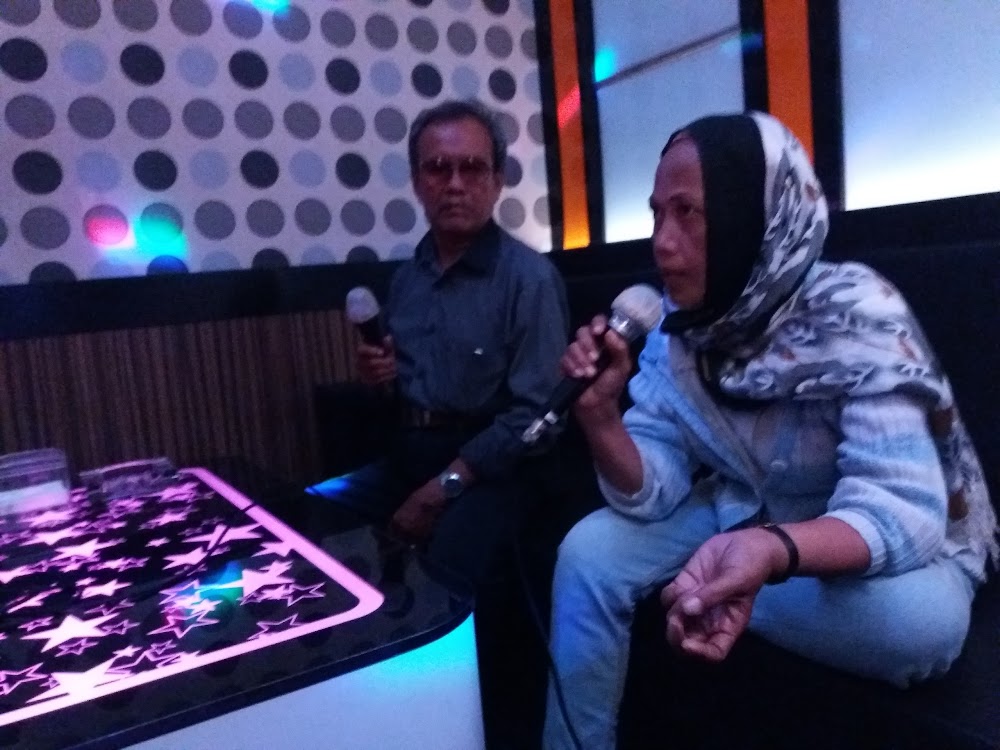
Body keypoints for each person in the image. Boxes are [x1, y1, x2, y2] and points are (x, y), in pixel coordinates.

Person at [542, 111, 998, 750]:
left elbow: (901, 511)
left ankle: (709, 585)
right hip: (743, 510)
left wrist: (769, 552)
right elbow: (655, 487)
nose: (662, 242)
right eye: (656, 214)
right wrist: (598, 416)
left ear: (752, 217)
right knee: (587, 553)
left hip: (853, 534)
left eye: (687, 213)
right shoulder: (678, 327)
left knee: (920, 628)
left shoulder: (857, 311)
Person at [311, 98, 569, 589]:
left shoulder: (528, 279)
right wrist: (378, 381)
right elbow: (402, 397)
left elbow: (538, 415)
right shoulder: (408, 280)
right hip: (411, 456)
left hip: (495, 470)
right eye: (437, 168)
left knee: (446, 564)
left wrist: (440, 489)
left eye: (471, 168)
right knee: (316, 512)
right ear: (416, 182)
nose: (454, 184)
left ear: (497, 181)